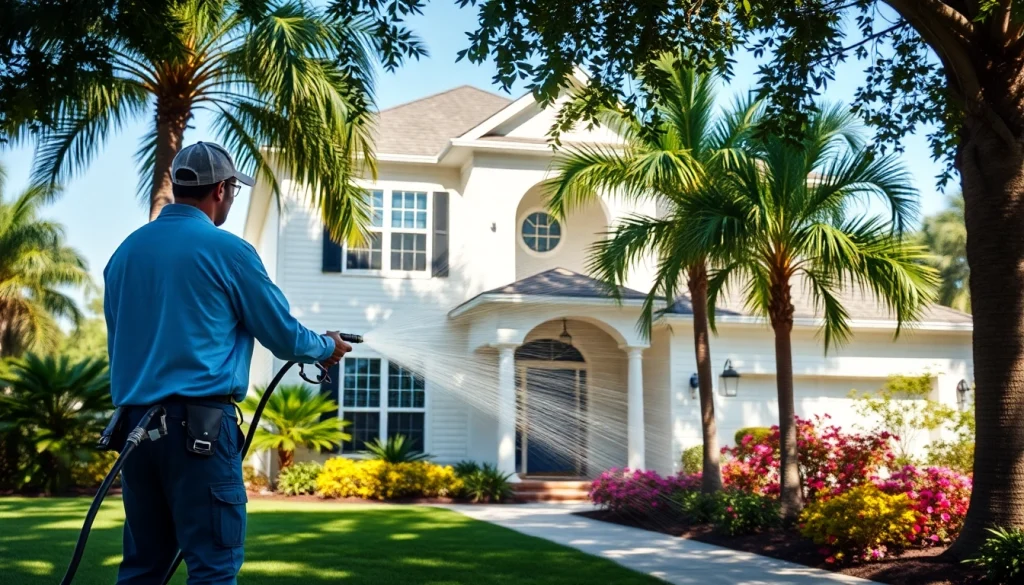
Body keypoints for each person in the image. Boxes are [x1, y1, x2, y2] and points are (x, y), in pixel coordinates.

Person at [103, 141, 351, 585]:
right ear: (221, 190)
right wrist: (324, 345)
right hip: (197, 434)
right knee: (213, 568)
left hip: (136, 434)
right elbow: (282, 333)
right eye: (233, 190)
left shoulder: (124, 255)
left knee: (142, 569)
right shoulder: (229, 252)